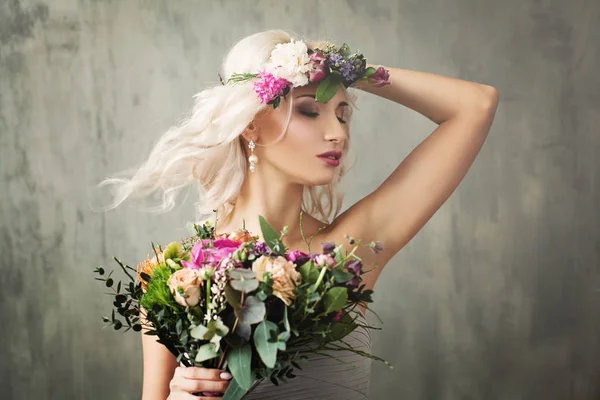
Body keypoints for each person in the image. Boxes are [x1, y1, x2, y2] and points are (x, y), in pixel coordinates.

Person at [98, 29, 498, 399]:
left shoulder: (346, 253)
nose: (338, 133)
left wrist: (348, 69)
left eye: (343, 114)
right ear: (251, 125)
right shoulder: (174, 276)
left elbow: (476, 105)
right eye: (310, 111)